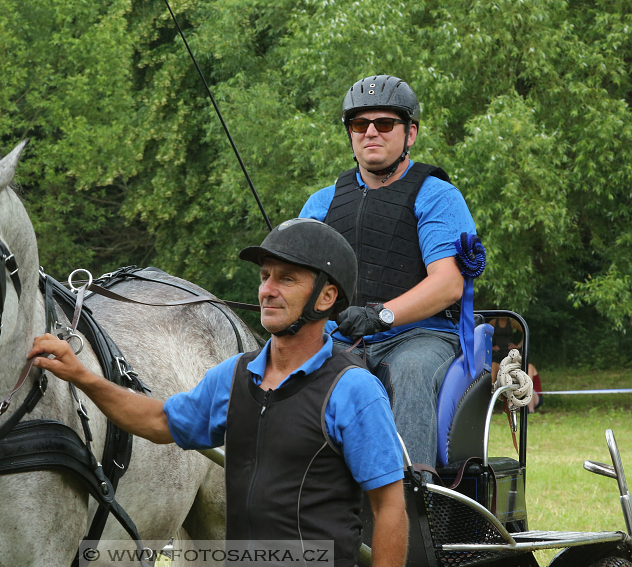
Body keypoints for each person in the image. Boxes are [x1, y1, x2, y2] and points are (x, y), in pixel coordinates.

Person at [29, 218, 408, 567]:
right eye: (264, 276)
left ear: (326, 298)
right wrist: (82, 375)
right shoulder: (235, 376)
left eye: (286, 279)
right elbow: (158, 421)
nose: (266, 291)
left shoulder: (354, 390)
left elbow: (389, 508)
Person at [299, 75, 478, 469]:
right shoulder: (320, 203)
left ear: (410, 133)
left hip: (422, 336)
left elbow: (448, 283)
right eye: (359, 125)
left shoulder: (436, 196)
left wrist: (379, 315)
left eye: (384, 124)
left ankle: (414, 495)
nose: (371, 133)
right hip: (341, 336)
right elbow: (298, 283)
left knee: (409, 371)